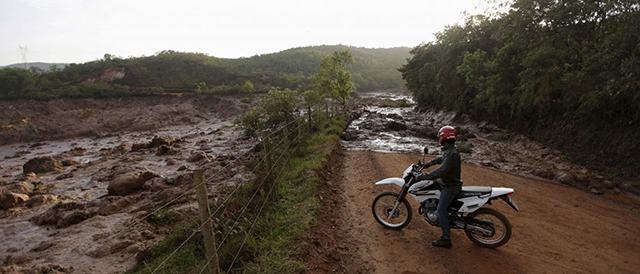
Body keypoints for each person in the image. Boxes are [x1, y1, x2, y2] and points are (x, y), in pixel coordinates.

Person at [417, 126, 462, 249]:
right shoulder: (450, 151)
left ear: (443, 138)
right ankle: (447, 221)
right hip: (447, 183)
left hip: (450, 186)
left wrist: (423, 177)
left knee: (441, 209)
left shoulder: (451, 154)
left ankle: (446, 239)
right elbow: (441, 159)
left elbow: (441, 171)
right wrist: (428, 164)